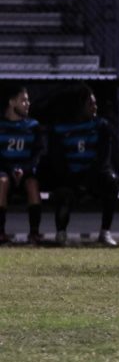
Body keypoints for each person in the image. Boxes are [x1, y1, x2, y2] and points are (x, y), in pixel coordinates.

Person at [46, 84, 118, 246]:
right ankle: (61, 233)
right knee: (63, 192)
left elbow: (103, 159)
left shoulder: (101, 126)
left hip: (93, 176)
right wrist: (72, 180)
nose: (95, 107)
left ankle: (105, 232)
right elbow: (57, 160)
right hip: (71, 177)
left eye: (95, 103)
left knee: (111, 182)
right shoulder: (60, 129)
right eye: (90, 104)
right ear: (79, 106)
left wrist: (87, 180)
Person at [0, 84, 44, 244]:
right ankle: (1, 233)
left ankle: (34, 233)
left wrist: (24, 169)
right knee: (1, 182)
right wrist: (11, 169)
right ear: (12, 102)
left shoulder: (33, 126)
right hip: (5, 172)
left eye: (28, 100)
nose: (28, 104)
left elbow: (37, 154)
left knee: (32, 184)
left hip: (25, 172)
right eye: (23, 100)